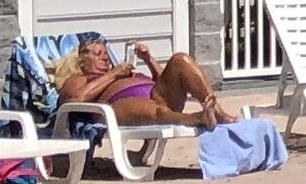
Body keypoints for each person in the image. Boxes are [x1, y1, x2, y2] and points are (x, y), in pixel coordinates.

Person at [57, 37, 230, 129]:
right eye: (97, 54)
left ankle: (217, 112)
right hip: (116, 105)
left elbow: (166, 80)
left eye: (105, 53)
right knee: (158, 110)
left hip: (157, 95)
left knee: (180, 60)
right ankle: (198, 118)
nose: (104, 57)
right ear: (81, 61)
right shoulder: (78, 79)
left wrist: (148, 59)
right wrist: (115, 74)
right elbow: (75, 99)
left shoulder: (122, 71)